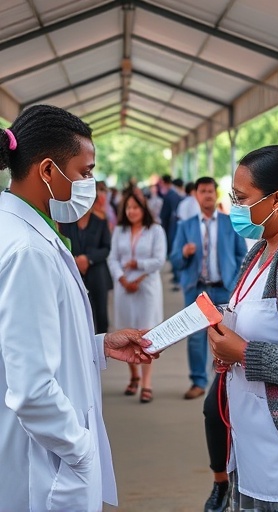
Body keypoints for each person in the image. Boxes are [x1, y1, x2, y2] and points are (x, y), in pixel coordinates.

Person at [0, 105, 157, 511]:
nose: (92, 183)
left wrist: (99, 344)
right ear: (49, 171)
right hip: (43, 467)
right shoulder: (27, 250)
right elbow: (32, 388)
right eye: (85, 172)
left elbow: (26, 342)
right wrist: (81, 448)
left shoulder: (21, 231)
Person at [208, 145, 278, 511]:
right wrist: (226, 346)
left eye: (241, 198)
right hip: (254, 442)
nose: (234, 207)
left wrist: (241, 352)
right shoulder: (259, 250)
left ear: (276, 199)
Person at [170, 176, 247, 512]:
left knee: (223, 345)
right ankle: (198, 381)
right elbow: (173, 259)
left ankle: (216, 381)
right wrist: (184, 254)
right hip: (196, 290)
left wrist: (232, 290)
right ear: (195, 194)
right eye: (201, 191)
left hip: (222, 290)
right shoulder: (186, 225)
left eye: (210, 191)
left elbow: (238, 256)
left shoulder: (230, 224)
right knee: (198, 345)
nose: (206, 195)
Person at [108, 188, 167, 403]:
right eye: (129, 208)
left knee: (146, 334)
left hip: (146, 287)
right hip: (124, 288)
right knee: (127, 332)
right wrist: (122, 279)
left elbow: (159, 260)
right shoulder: (120, 231)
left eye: (136, 207)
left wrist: (137, 268)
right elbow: (112, 258)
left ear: (143, 209)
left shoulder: (155, 230)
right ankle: (133, 376)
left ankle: (146, 382)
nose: (132, 211)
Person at [60, 191, 113, 334]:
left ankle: (103, 346)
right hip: (75, 272)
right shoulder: (67, 224)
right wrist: (76, 260)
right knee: (79, 313)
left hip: (97, 274)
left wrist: (88, 259)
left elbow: (106, 248)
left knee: (100, 313)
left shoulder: (100, 222)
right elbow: (62, 245)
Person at [159, 174, 183, 289]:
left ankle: (177, 278)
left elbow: (165, 214)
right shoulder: (175, 195)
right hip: (175, 226)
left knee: (174, 250)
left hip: (171, 227)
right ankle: (176, 276)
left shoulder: (169, 195)